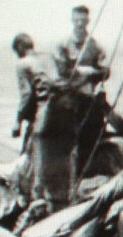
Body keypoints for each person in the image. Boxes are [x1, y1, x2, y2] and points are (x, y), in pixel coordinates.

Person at [56, 5, 109, 186]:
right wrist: (82, 73)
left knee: (92, 141)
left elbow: (106, 71)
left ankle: (86, 180)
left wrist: (88, 72)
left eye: (83, 21)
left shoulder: (94, 45)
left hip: (90, 100)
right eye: (76, 20)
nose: (80, 24)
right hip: (70, 102)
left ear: (88, 21)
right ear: (72, 21)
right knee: (68, 143)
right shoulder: (63, 44)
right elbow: (61, 72)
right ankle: (67, 181)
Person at [11, 33, 62, 142]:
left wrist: (18, 122)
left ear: (20, 47)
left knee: (28, 152)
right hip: (62, 112)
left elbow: (26, 94)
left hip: (43, 115)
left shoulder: (23, 63)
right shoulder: (48, 57)